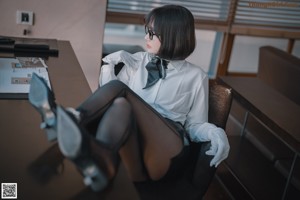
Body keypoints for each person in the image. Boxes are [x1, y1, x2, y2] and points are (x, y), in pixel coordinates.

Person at [28, 4, 230, 196]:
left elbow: (194, 125)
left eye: (151, 33)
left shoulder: (196, 76)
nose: (145, 37)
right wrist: (109, 66)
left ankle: (72, 120)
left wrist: (215, 131)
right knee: (120, 104)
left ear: (171, 36)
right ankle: (102, 162)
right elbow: (107, 100)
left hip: (166, 151)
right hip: (134, 149)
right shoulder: (138, 61)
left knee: (120, 92)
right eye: (146, 30)